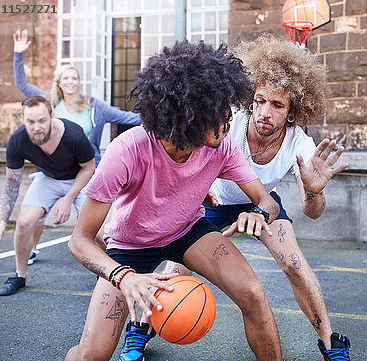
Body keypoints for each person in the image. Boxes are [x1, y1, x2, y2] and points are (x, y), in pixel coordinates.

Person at [120, 34, 351, 361]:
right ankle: (139, 329)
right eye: (259, 100)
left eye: (277, 104)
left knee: (294, 263)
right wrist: (199, 187)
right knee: (176, 269)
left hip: (261, 204)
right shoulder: (227, 120)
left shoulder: (299, 144)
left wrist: (314, 190)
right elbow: (188, 157)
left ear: (292, 111)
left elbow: (312, 212)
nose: (264, 112)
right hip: (212, 201)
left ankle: (330, 343)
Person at [65, 40, 282, 361]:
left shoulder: (221, 146)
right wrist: (123, 276)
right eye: (218, 109)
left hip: (187, 231)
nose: (229, 116)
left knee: (252, 293)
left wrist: (260, 214)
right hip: (130, 248)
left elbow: (267, 199)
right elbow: (79, 240)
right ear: (188, 113)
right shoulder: (128, 149)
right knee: (91, 355)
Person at [13, 29, 141, 264]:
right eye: (66, 78)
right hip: (54, 170)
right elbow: (21, 83)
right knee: (34, 218)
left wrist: (161, 113)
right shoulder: (48, 103)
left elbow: (128, 118)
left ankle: (113, 265)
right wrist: (18, 55)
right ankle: (30, 248)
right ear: (59, 83)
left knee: (99, 227)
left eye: (74, 77)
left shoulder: (94, 106)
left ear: (79, 82)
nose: (71, 81)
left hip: (86, 171)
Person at [0, 95, 95, 296]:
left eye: (42, 121)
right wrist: (1, 221)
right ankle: (19, 275)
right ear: (22, 119)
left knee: (99, 232)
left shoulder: (73, 135)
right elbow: (11, 182)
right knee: (24, 223)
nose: (37, 127)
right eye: (31, 122)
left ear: (52, 116)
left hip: (80, 179)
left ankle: (104, 275)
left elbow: (89, 168)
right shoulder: (18, 141)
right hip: (49, 179)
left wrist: (68, 198)